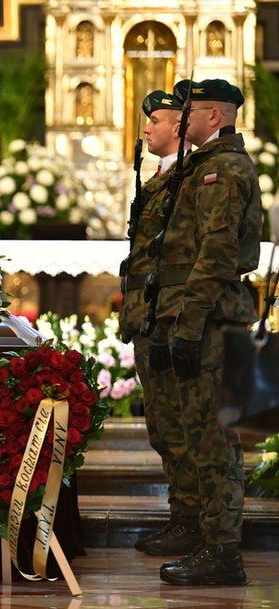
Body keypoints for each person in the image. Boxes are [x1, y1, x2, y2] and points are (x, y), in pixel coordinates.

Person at [147, 78, 260, 586]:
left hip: (211, 319)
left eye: (191, 109)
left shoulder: (225, 170)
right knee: (194, 433)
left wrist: (189, 326)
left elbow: (214, 255)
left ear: (214, 116)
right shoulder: (202, 167)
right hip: (192, 315)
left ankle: (222, 552)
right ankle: (206, 540)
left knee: (214, 440)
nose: (182, 116)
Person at [121, 90, 201, 558]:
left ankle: (189, 520)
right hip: (151, 316)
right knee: (163, 426)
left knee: (178, 425)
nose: (145, 128)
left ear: (178, 127)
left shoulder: (189, 179)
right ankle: (181, 516)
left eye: (154, 120)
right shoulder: (160, 178)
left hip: (171, 316)